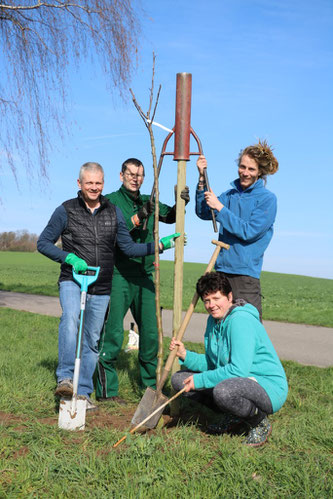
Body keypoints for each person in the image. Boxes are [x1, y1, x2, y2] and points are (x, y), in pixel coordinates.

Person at [37, 161, 180, 411]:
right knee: (71, 320)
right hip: (79, 278)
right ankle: (66, 378)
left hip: (102, 282)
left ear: (103, 183)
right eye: (89, 182)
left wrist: (159, 246)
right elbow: (43, 242)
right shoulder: (67, 209)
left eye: (98, 183)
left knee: (93, 338)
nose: (94, 187)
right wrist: (67, 257)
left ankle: (82, 393)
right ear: (79, 184)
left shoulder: (111, 210)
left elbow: (128, 246)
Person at [95, 158, 189, 403]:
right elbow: (113, 233)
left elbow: (172, 217)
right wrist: (138, 217)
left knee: (150, 334)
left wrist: (181, 200)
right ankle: (107, 392)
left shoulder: (150, 201)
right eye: (131, 174)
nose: (135, 178)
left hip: (146, 275)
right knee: (114, 333)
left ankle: (150, 388)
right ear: (121, 175)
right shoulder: (111, 202)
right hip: (119, 275)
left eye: (140, 175)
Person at [170, 272, 288, 447]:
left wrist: (200, 380)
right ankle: (235, 414)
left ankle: (259, 422)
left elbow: (238, 370)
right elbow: (213, 365)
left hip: (266, 386)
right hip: (237, 382)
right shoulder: (213, 322)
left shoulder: (240, 320)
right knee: (179, 380)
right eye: (207, 300)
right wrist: (185, 355)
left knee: (223, 391)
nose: (211, 305)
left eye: (216, 298)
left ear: (230, 296)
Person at [196, 140, 278, 320]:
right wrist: (201, 180)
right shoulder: (229, 195)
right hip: (221, 272)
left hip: (245, 276)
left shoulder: (267, 199)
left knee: (247, 325)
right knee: (221, 325)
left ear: (260, 173)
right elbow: (203, 212)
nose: (245, 173)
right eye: (242, 167)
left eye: (251, 169)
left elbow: (249, 231)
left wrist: (220, 208)